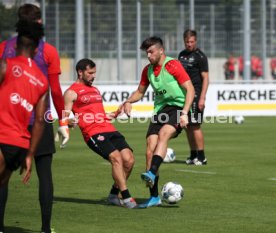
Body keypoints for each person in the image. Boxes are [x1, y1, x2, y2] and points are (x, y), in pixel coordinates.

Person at [0, 4, 69, 233]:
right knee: (45, 174)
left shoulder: (3, 48)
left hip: (7, 122)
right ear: (39, 22)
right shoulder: (48, 51)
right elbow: (56, 90)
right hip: (37, 121)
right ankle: (46, 229)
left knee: (3, 177)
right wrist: (63, 121)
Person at [122, 36, 194, 208]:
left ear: (161, 50)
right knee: (149, 149)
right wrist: (128, 101)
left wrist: (185, 113)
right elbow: (139, 92)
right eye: (146, 52)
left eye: (151, 51)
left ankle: (152, 172)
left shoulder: (172, 65)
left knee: (164, 135)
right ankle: (154, 197)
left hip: (178, 108)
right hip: (160, 111)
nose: (148, 55)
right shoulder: (147, 70)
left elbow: (190, 88)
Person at [63, 58, 137, 209]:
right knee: (116, 157)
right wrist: (71, 122)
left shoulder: (95, 90)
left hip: (109, 129)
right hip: (93, 133)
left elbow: (102, 115)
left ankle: (112, 195)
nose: (93, 76)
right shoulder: (71, 92)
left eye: (94, 73)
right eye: (90, 73)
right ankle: (127, 198)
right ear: (80, 72)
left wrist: (116, 113)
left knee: (129, 160)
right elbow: (64, 119)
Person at [0, 20, 49, 231]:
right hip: (19, 144)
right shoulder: (41, 81)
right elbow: (39, 121)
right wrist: (30, 154)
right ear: (37, 48)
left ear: (15, 45)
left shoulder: (5, 66)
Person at [178, 29, 209, 165]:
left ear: (195, 41)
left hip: (196, 95)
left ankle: (202, 157)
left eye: (191, 42)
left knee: (195, 125)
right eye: (187, 42)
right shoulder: (181, 55)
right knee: (187, 126)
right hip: (183, 96)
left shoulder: (200, 57)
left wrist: (202, 97)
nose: (189, 44)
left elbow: (206, 78)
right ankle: (193, 155)